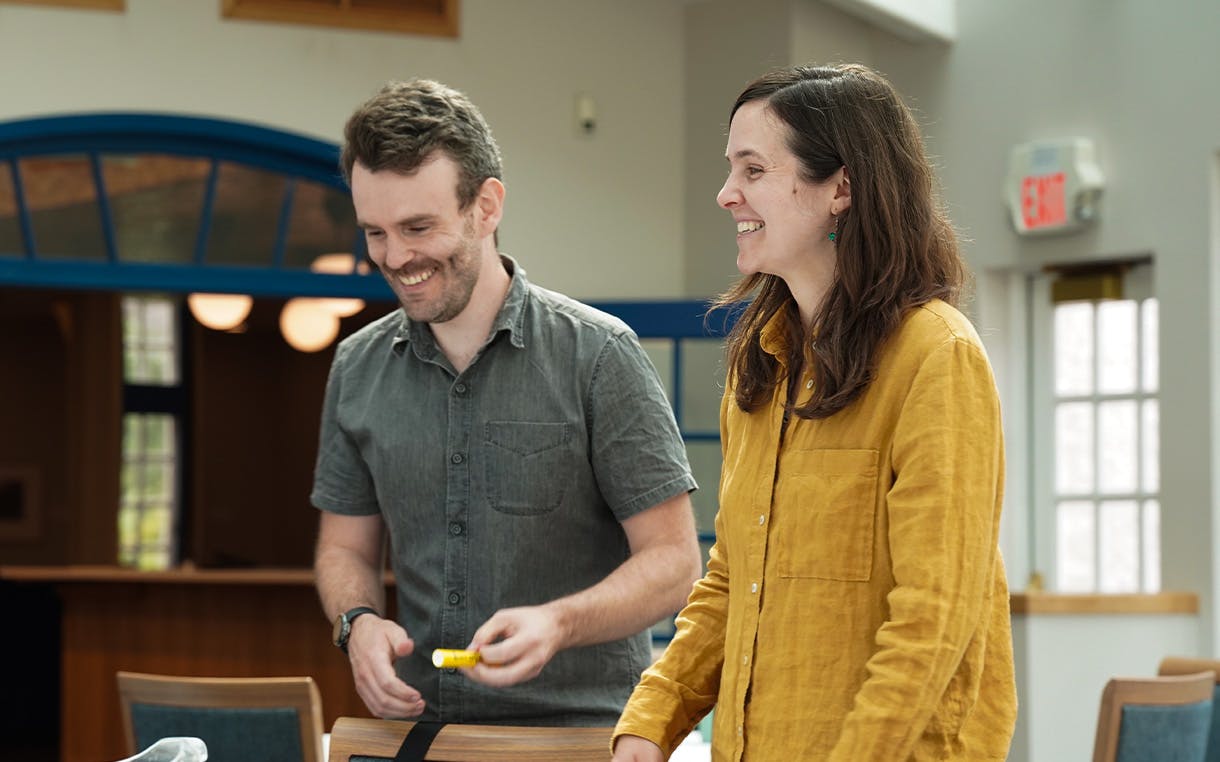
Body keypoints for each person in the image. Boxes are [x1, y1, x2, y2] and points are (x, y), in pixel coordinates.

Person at [612, 63, 1017, 760]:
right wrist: (649, 724)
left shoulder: (937, 356)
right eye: (729, 169)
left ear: (842, 187)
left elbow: (932, 621)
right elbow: (733, 584)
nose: (725, 194)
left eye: (753, 169)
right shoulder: (761, 362)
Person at [312, 78, 702, 727]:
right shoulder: (358, 366)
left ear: (486, 206)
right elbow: (343, 550)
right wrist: (357, 625)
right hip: (423, 734)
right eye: (375, 233)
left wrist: (559, 623)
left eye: (418, 227)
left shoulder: (600, 355)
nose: (396, 256)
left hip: (583, 737)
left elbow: (675, 563)